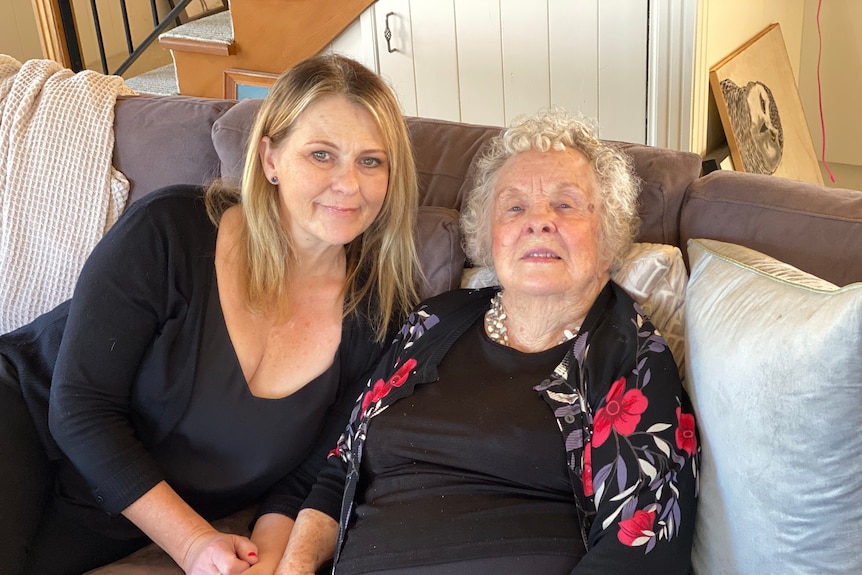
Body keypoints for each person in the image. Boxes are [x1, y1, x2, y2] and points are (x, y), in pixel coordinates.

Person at [0, 53, 420, 575]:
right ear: (270, 158)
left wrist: (272, 561)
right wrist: (195, 542)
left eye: (370, 161)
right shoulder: (170, 231)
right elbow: (80, 408)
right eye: (321, 154)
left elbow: (314, 471)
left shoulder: (381, 316)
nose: (349, 185)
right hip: (26, 423)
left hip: (115, 515)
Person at [277, 108, 699, 575]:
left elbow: (639, 550)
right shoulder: (433, 322)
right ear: (489, 236)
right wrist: (293, 567)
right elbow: (341, 465)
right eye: (514, 207)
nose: (538, 222)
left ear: (608, 231)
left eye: (565, 204)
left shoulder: (632, 360)